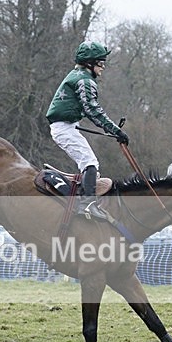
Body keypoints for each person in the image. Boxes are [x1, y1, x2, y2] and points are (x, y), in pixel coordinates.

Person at [46, 41, 129, 221]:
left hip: (67, 126)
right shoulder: (85, 80)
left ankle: (85, 198)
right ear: (90, 63)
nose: (103, 67)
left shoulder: (78, 75)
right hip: (64, 128)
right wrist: (116, 131)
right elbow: (93, 110)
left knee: (92, 168)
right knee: (90, 163)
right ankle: (87, 205)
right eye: (101, 62)